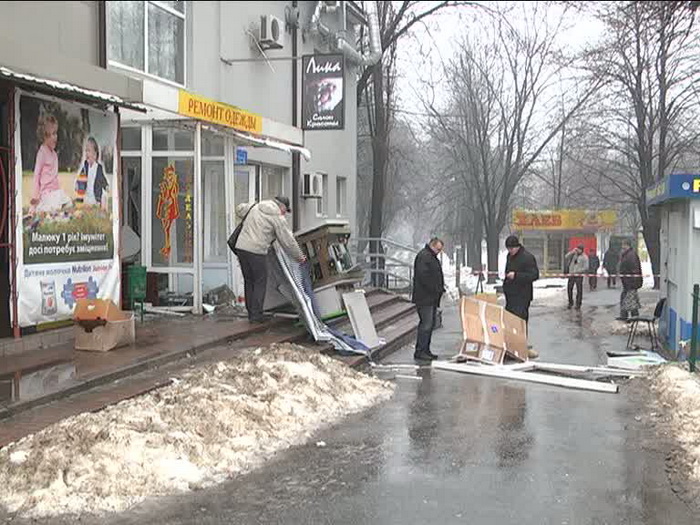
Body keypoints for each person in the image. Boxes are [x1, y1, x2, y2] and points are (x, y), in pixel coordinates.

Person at [234, 196, 306, 323]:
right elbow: (288, 241)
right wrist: (299, 257)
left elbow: (239, 209)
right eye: (285, 210)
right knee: (260, 282)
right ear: (281, 206)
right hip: (256, 251)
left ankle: (251, 312)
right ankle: (256, 316)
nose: (285, 213)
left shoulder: (256, 206)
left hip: (241, 248)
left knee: (249, 280)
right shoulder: (277, 217)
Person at [30, 114, 72, 213]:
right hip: (45, 193)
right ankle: (41, 207)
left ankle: (52, 207)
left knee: (68, 202)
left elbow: (55, 177)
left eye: (56, 133)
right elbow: (37, 176)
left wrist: (59, 192)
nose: (55, 137)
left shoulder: (54, 155)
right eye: (52, 134)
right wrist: (35, 199)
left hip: (55, 192)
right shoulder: (42, 152)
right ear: (45, 136)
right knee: (55, 206)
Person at [412, 237, 445, 361]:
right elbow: (424, 276)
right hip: (424, 297)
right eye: (438, 249)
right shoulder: (424, 257)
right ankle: (420, 350)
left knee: (429, 325)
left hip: (429, 297)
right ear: (432, 245)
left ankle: (425, 349)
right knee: (426, 325)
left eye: (440, 250)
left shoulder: (429, 256)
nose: (438, 252)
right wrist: (436, 288)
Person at [503, 235, 539, 327]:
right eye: (508, 249)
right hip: (511, 297)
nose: (510, 251)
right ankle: (512, 340)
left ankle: (521, 341)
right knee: (510, 323)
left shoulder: (527, 257)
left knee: (520, 324)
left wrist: (516, 275)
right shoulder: (509, 256)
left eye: (511, 249)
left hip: (522, 297)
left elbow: (534, 275)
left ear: (517, 246)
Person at [75, 137, 109, 210]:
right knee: (85, 206)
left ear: (95, 154)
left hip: (95, 196)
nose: (86, 153)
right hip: (87, 195)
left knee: (99, 202)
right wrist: (77, 184)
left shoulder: (98, 167)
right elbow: (80, 178)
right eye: (86, 151)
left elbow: (102, 178)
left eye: (89, 151)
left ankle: (98, 205)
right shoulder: (85, 166)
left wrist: (106, 186)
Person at [617, 239, 643, 320]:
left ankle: (631, 317)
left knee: (630, 301)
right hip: (628, 282)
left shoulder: (631, 255)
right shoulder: (627, 254)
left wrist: (632, 283)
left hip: (630, 283)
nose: (622, 247)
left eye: (623, 245)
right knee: (627, 299)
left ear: (627, 245)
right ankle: (626, 316)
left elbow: (635, 269)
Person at [565, 244, 588, 310]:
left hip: (579, 275)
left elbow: (586, 267)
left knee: (579, 290)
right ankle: (570, 302)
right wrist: (572, 252)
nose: (578, 250)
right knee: (569, 289)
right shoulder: (573, 255)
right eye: (577, 249)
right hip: (571, 274)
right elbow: (566, 256)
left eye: (579, 249)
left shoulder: (584, 257)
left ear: (582, 250)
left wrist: (578, 271)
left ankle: (578, 304)